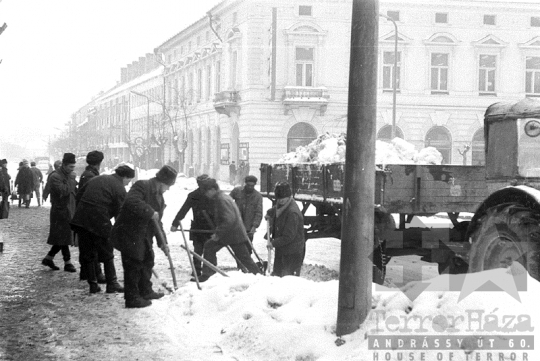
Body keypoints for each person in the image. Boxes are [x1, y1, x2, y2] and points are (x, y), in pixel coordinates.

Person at [111, 165, 177, 308]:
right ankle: (132, 298)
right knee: (133, 265)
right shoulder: (142, 185)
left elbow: (157, 222)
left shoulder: (160, 197)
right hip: (129, 232)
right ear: (161, 182)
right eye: (168, 185)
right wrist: (149, 211)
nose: (168, 189)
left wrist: (162, 243)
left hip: (143, 235)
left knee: (147, 260)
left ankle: (145, 291)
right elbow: (131, 202)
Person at [71, 164, 135, 294]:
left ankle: (93, 285)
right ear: (125, 177)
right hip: (99, 219)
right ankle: (112, 283)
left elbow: (78, 196)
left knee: (88, 252)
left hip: (81, 218)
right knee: (107, 251)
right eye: (129, 181)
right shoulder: (119, 188)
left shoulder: (97, 179)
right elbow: (120, 213)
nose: (128, 184)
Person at [197, 178, 261, 282]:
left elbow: (229, 219)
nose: (206, 194)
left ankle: (258, 276)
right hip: (233, 233)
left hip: (233, 234)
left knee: (244, 258)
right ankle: (208, 274)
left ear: (213, 189)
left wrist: (218, 234)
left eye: (206, 192)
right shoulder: (223, 197)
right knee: (211, 247)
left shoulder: (221, 199)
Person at [170, 174, 215, 277]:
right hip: (199, 227)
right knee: (199, 250)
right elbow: (184, 210)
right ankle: (199, 271)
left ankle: (207, 271)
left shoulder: (213, 194)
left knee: (207, 250)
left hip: (210, 227)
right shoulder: (194, 195)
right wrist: (175, 223)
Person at [41, 153, 78, 273]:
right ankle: (67, 263)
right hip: (60, 211)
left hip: (69, 209)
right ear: (64, 165)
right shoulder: (55, 176)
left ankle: (49, 258)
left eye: (73, 167)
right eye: (70, 167)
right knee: (64, 236)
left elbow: (74, 192)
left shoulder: (69, 175)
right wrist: (72, 180)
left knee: (62, 236)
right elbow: (64, 191)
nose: (72, 169)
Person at [76, 150, 105, 283]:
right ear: (99, 163)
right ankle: (95, 273)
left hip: (84, 214)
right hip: (89, 215)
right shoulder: (91, 176)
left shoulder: (87, 174)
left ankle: (86, 272)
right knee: (92, 246)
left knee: (87, 245)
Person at [265, 182, 305, 277]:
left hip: (292, 252)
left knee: (287, 278)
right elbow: (277, 208)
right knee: (278, 275)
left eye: (283, 198)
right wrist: (269, 213)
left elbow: (288, 236)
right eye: (279, 199)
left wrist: (273, 243)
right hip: (284, 249)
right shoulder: (284, 204)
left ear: (289, 196)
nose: (281, 201)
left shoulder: (292, 213)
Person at [230, 175, 263, 251]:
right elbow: (228, 202)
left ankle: (246, 262)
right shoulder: (237, 191)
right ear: (245, 183)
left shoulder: (257, 196)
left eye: (252, 185)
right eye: (248, 185)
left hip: (249, 228)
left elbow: (259, 213)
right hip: (236, 226)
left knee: (248, 249)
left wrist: (254, 227)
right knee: (237, 249)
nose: (250, 187)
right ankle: (240, 262)